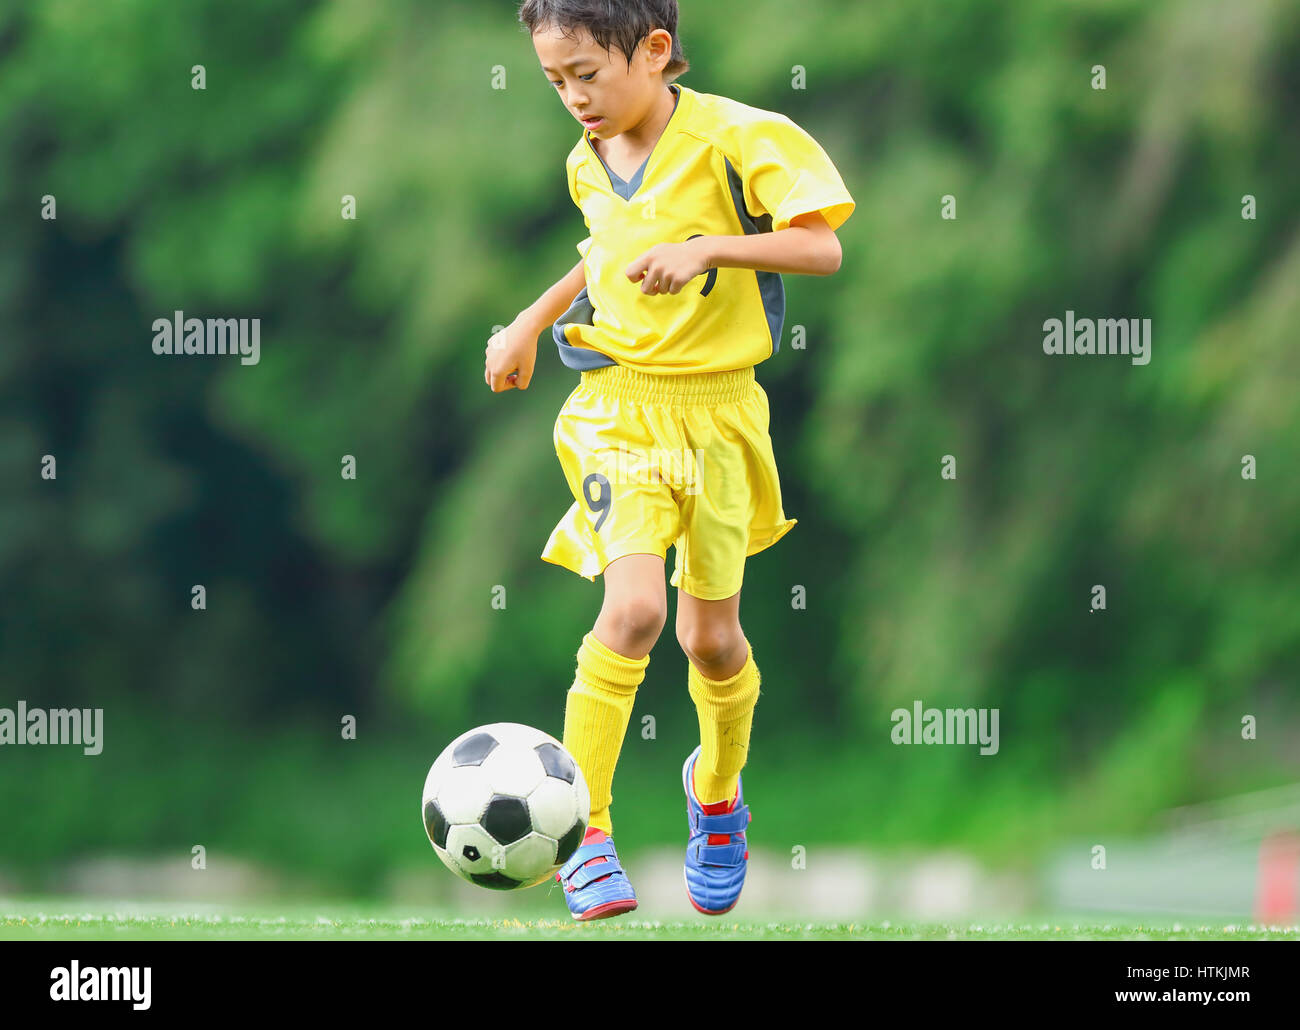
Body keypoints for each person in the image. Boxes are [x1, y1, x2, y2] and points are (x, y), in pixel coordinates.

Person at [486, 0, 854, 920]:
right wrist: (529, 322)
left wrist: (707, 251)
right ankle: (586, 831)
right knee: (637, 608)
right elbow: (601, 254)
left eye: (586, 74)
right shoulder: (587, 159)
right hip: (616, 411)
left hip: (723, 416)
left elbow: (822, 245)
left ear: (654, 52)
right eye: (553, 81)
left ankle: (718, 797)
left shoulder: (737, 138)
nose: (573, 97)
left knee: (710, 639)